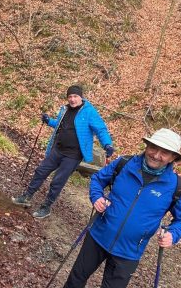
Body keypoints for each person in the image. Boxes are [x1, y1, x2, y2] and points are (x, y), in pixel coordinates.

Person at [46, 128, 181, 288]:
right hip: (99, 234)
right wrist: (97, 197)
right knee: (79, 273)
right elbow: (98, 179)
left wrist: (173, 235)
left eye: (164, 152)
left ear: (173, 158)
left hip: (130, 251)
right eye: (153, 148)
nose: (156, 155)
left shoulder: (176, 186)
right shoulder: (124, 164)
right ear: (147, 146)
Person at [13, 85, 114, 218]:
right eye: (70, 96)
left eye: (75, 96)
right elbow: (60, 125)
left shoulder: (89, 111)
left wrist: (107, 144)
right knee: (41, 171)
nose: (72, 99)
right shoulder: (65, 109)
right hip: (58, 149)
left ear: (81, 97)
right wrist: (49, 121)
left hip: (73, 155)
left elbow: (100, 129)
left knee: (57, 181)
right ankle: (27, 196)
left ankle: (46, 206)